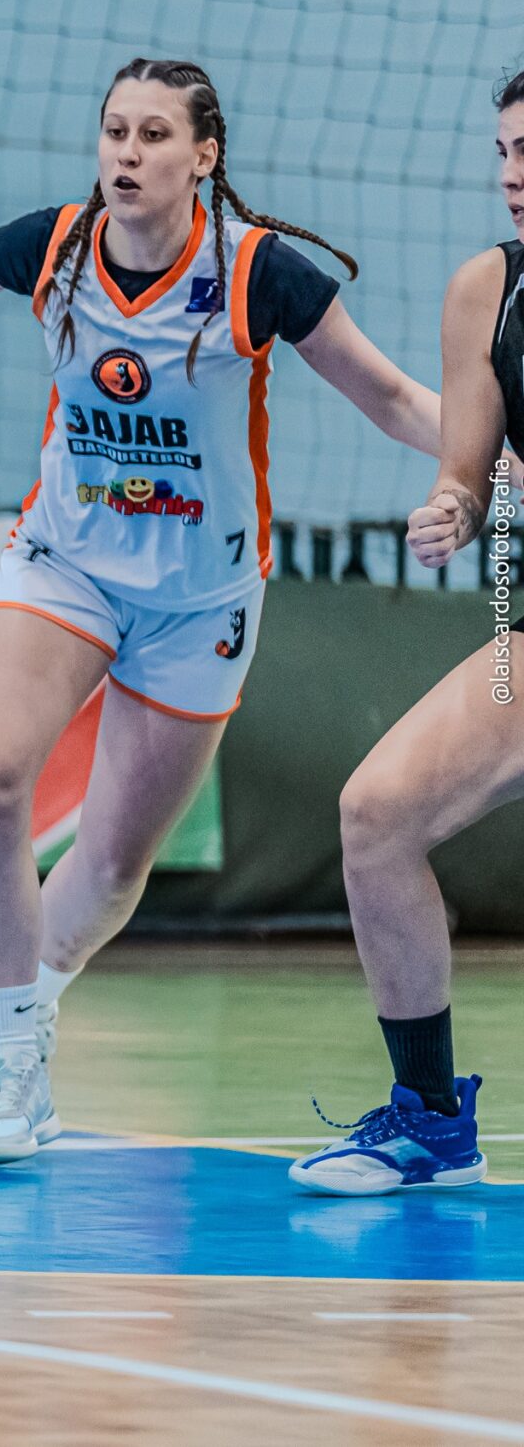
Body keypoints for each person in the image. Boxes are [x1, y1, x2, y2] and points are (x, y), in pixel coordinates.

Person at [0, 57, 437, 1168]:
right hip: (64, 564)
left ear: (202, 157)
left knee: (117, 862)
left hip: (201, 596)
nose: (124, 153)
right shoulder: (56, 244)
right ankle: (6, 1066)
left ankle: (34, 1008)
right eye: (111, 131)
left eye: (151, 135)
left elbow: (393, 397)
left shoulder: (257, 276)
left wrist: (488, 459)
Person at [291, 69, 524, 1194]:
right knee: (376, 814)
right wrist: (452, 507)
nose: (513, 176)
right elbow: (468, 469)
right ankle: (430, 1121)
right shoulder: (486, 287)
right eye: (504, 153)